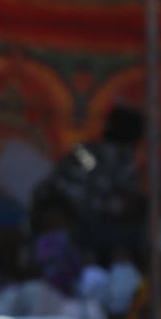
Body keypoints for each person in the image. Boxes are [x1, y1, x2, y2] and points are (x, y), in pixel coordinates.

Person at [39, 105, 145, 255]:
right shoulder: (119, 158)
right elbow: (110, 195)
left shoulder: (84, 150)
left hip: (68, 217)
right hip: (71, 220)